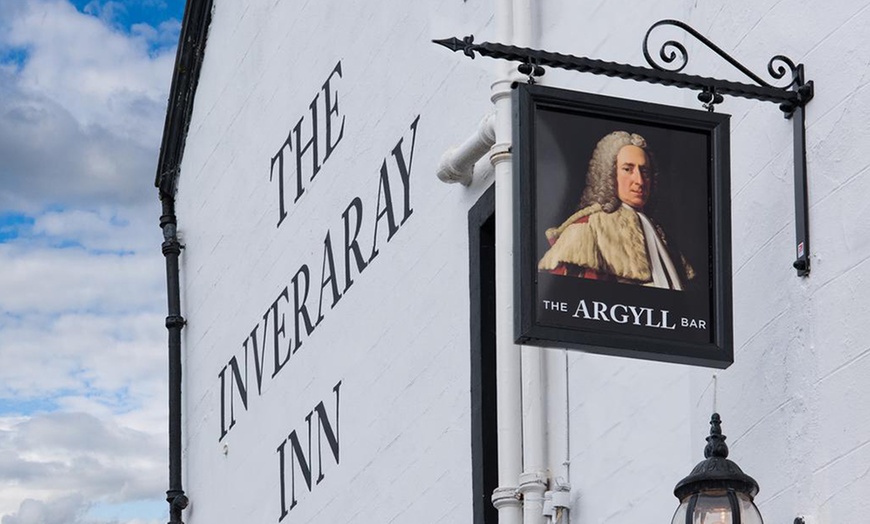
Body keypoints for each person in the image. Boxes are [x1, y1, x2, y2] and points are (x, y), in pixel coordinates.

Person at [537, 130, 693, 290]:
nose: (639, 181)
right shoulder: (588, 228)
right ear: (609, 173)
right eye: (628, 169)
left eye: (644, 171)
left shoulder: (658, 233)